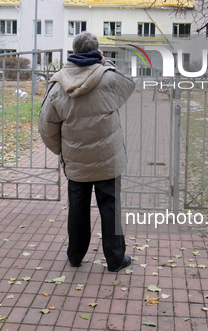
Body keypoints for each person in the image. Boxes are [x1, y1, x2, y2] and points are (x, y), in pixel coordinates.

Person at [38, 32, 135, 272]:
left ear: (74, 52)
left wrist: (63, 152)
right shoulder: (110, 78)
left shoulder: (58, 84)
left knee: (78, 209)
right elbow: (130, 85)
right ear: (97, 51)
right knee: (110, 209)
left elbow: (46, 126)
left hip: (76, 162)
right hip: (108, 160)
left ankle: (75, 256)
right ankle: (115, 259)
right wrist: (105, 63)